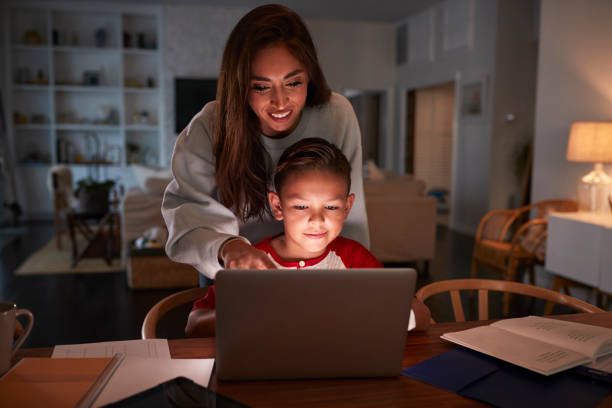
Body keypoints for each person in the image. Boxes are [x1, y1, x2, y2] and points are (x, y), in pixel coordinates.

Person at [162, 4, 369, 283]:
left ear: (310, 74)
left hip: (319, 269)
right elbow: (186, 213)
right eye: (261, 87)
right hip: (235, 270)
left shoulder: (336, 114)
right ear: (239, 85)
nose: (280, 103)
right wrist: (230, 249)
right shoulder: (210, 126)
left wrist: (363, 283)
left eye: (293, 83)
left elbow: (350, 217)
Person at [185, 138, 431, 337]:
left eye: (331, 208)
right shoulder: (253, 262)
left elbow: (422, 316)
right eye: (301, 207)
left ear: (347, 207)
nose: (317, 220)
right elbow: (194, 324)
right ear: (278, 206)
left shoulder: (353, 257)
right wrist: (250, 314)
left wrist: (363, 313)